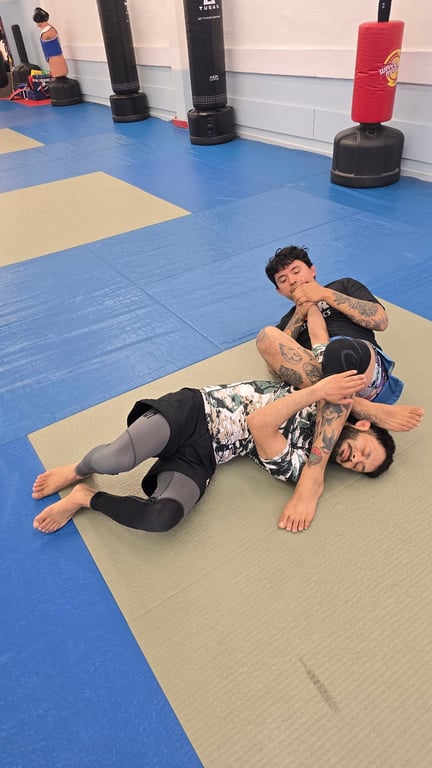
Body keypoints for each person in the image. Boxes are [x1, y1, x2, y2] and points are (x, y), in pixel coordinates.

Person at [32, 368, 423, 536]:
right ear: (363, 427)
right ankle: (79, 469)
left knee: (162, 519)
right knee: (115, 460)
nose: (355, 460)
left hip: (206, 454)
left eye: (359, 467)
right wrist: (321, 391)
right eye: (364, 452)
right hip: (195, 410)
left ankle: (85, 497)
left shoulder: (302, 468)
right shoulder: (332, 400)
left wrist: (317, 392)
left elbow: (259, 425)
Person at [258, 244, 403, 404]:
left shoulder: (343, 286)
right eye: (283, 280)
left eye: (296, 271)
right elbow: (277, 368)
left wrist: (324, 294)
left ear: (312, 270)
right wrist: (299, 314)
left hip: (360, 366)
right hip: (319, 377)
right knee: (267, 336)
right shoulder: (286, 322)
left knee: (338, 349)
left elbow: (381, 321)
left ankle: (344, 398)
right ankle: (357, 406)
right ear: (279, 291)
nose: (292, 281)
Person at [33, 7, 68, 79]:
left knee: (60, 75)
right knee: (57, 75)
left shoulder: (48, 31)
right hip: (51, 58)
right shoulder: (45, 31)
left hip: (56, 58)